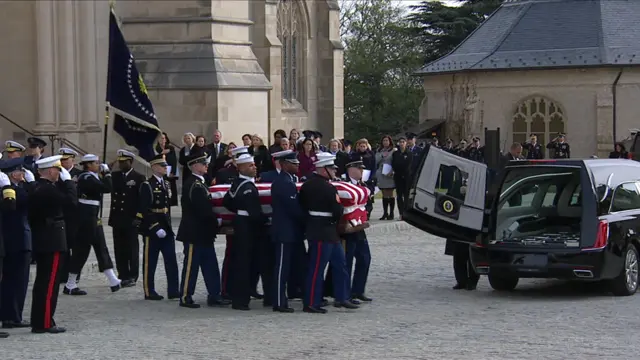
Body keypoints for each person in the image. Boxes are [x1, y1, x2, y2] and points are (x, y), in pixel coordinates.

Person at [299, 153, 358, 313]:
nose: (334, 171)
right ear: (323, 169)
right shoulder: (328, 187)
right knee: (320, 267)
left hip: (320, 229)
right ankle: (312, 302)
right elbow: (337, 209)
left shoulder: (307, 185)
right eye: (331, 168)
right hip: (324, 231)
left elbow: (302, 206)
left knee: (337, 264)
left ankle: (342, 297)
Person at [176, 148, 231, 308]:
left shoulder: (200, 183)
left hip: (203, 233)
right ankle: (185, 295)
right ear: (194, 166)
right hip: (194, 232)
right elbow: (204, 211)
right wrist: (219, 221)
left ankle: (215, 295)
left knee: (210, 265)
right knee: (191, 266)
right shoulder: (194, 185)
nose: (207, 165)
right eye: (203, 163)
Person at [28, 155, 76, 334]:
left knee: (42, 282)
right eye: (57, 169)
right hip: (52, 239)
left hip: (42, 238)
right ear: (50, 171)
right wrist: (70, 182)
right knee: (50, 284)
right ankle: (45, 322)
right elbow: (71, 202)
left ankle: (39, 320)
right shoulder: (48, 190)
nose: (59, 172)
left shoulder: (37, 187)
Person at [63, 155, 122, 295]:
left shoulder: (92, 176)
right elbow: (107, 188)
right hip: (86, 216)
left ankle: (113, 280)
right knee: (82, 249)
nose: (98, 165)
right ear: (88, 165)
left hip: (93, 215)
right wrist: (107, 173)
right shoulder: (86, 178)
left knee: (101, 247)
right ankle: (70, 284)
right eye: (96, 163)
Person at [222, 152, 269, 311]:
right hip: (248, 226)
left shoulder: (237, 183)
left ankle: (242, 294)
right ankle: (241, 300)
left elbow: (227, 201)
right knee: (244, 263)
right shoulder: (247, 187)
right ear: (241, 168)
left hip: (241, 222)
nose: (254, 167)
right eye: (250, 165)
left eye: (254, 164)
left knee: (243, 261)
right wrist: (267, 220)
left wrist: (239, 210)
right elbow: (255, 213)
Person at [137, 154, 180, 301]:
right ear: (154, 167)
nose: (165, 168)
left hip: (166, 226)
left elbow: (167, 207)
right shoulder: (147, 185)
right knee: (150, 262)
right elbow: (145, 208)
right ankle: (149, 291)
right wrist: (155, 227)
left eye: (165, 165)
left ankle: (174, 290)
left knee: (171, 260)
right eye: (162, 166)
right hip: (152, 228)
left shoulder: (166, 184)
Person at [0, 158, 35, 330]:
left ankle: (11, 315)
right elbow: (33, 200)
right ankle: (12, 316)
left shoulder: (12, 190)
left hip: (12, 240)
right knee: (17, 280)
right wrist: (33, 182)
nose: (23, 174)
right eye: (21, 171)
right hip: (18, 241)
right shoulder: (15, 192)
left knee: (12, 280)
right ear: (13, 174)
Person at [269, 150, 303, 313]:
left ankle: (284, 297)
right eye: (293, 163)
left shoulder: (288, 180)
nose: (297, 165)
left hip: (289, 230)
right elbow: (293, 208)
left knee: (287, 267)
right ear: (284, 165)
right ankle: (278, 301)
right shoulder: (284, 182)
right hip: (284, 231)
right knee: (281, 268)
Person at [108, 150, 146, 285]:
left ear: (131, 162)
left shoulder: (138, 177)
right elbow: (105, 185)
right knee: (119, 249)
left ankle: (132, 276)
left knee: (132, 249)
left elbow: (143, 200)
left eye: (124, 162)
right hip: (117, 218)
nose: (121, 164)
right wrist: (107, 169)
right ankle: (122, 273)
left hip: (131, 218)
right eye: (120, 162)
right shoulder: (115, 176)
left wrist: (139, 216)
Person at [342, 158, 373, 302]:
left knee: (365, 258)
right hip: (348, 228)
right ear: (350, 170)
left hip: (359, 226)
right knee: (347, 261)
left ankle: (358, 290)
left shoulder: (364, 185)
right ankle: (345, 293)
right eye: (358, 168)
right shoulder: (344, 185)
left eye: (362, 168)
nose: (361, 171)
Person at [57, 148, 81, 285]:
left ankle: (74, 274)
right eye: (62, 160)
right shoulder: (58, 174)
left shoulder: (79, 174)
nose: (63, 162)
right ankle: (63, 274)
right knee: (63, 246)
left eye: (66, 159)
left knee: (75, 247)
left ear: (73, 159)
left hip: (75, 215)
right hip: (62, 214)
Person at [391, 136, 413, 218]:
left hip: (406, 176)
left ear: (406, 143)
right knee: (399, 195)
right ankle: (401, 213)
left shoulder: (409, 153)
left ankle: (407, 212)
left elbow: (408, 165)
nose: (401, 143)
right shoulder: (395, 153)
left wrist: (401, 169)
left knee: (406, 195)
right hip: (398, 176)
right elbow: (394, 164)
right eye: (400, 142)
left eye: (403, 142)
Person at [375, 135, 396, 220]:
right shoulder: (379, 151)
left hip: (390, 173)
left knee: (390, 193)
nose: (385, 142)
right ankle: (385, 213)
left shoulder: (394, 151)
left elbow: (395, 161)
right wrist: (382, 156)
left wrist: (393, 171)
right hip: (381, 173)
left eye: (387, 140)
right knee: (384, 193)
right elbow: (376, 161)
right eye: (384, 140)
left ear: (390, 141)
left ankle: (391, 213)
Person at [156, 132, 179, 207]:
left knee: (170, 187)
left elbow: (174, 161)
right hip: (160, 170)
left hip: (169, 170)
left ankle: (171, 202)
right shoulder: (156, 148)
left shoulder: (170, 148)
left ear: (166, 139)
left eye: (163, 138)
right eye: (160, 138)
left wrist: (173, 172)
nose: (162, 140)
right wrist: (162, 153)